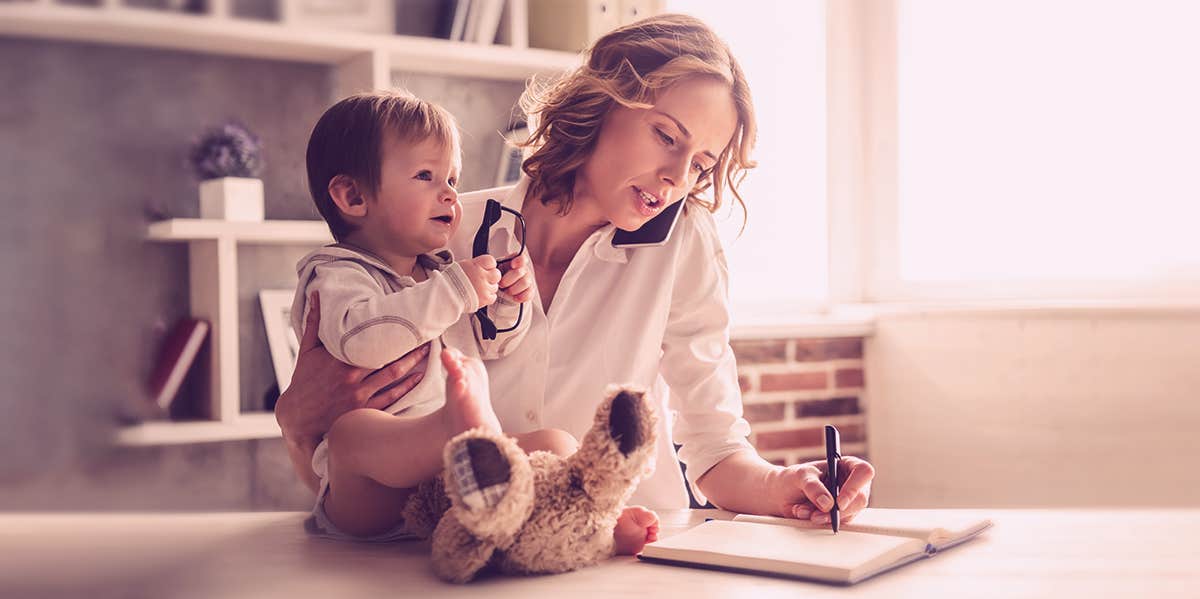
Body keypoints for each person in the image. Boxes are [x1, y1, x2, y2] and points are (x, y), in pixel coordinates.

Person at [277, 14, 874, 532]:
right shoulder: (438, 237)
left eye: (701, 165)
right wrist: (296, 423)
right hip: (466, 561)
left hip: (631, 556)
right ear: (599, 103)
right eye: (666, 136)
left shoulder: (684, 243)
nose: (677, 176)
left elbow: (715, 447)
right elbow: (353, 469)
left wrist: (784, 486)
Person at [292, 91, 660, 551]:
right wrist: (454, 292)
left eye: (451, 177)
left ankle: (593, 520)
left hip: (450, 484)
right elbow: (361, 343)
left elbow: (494, 346)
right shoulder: (337, 272)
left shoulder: (440, 271)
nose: (449, 193)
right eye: (425, 176)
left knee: (554, 445)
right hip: (368, 495)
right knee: (353, 433)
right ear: (351, 196)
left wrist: (508, 303)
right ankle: (453, 429)